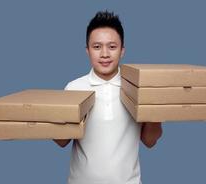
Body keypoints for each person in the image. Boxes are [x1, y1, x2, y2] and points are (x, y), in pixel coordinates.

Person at [54, 10, 163, 184]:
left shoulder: (137, 87)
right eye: (97, 47)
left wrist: (155, 108)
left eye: (112, 47)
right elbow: (61, 142)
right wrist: (46, 117)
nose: (104, 54)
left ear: (122, 51)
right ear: (87, 51)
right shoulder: (74, 88)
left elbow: (150, 141)